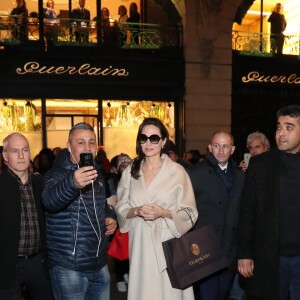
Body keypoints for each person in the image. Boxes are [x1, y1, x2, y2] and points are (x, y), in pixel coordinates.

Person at [114, 117, 198, 300]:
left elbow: (191, 213)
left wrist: (164, 213)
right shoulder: (131, 171)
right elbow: (120, 204)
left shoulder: (177, 172)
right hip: (140, 244)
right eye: (143, 138)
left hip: (169, 244)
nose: (148, 143)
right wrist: (135, 211)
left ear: (163, 141)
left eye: (154, 138)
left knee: (170, 293)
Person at [41, 122, 117, 300]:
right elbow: (49, 202)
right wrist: (72, 183)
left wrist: (109, 216)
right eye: (80, 142)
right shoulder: (55, 174)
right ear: (69, 146)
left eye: (91, 142)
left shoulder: (97, 174)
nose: (87, 147)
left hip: (99, 264)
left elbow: (102, 205)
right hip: (68, 267)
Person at [238, 105, 300, 300]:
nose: (281, 133)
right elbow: (247, 212)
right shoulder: (260, 165)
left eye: (289, 127)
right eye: (279, 127)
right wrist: (245, 254)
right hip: (271, 258)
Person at [188, 130, 245, 300]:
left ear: (232, 149)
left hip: (230, 249)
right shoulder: (196, 173)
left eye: (225, 146)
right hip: (205, 249)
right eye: (217, 146)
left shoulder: (241, 176)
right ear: (210, 148)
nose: (221, 150)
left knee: (221, 295)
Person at [0, 133, 53, 300]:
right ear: (5, 156)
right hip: (8, 264)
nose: (22, 156)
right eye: (15, 151)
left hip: (39, 261)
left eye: (25, 150)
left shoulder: (41, 184)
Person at [229, 131, 270, 300]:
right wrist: (242, 176)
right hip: (245, 232)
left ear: (266, 149)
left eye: (257, 148)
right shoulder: (243, 172)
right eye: (250, 148)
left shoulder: (273, 170)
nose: (253, 152)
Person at [108, 153, 132, 293]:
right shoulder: (113, 181)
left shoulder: (135, 179)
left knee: (130, 249)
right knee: (120, 249)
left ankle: (127, 273)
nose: (126, 168)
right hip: (118, 218)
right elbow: (112, 198)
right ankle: (120, 278)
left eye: (128, 165)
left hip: (132, 217)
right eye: (123, 166)